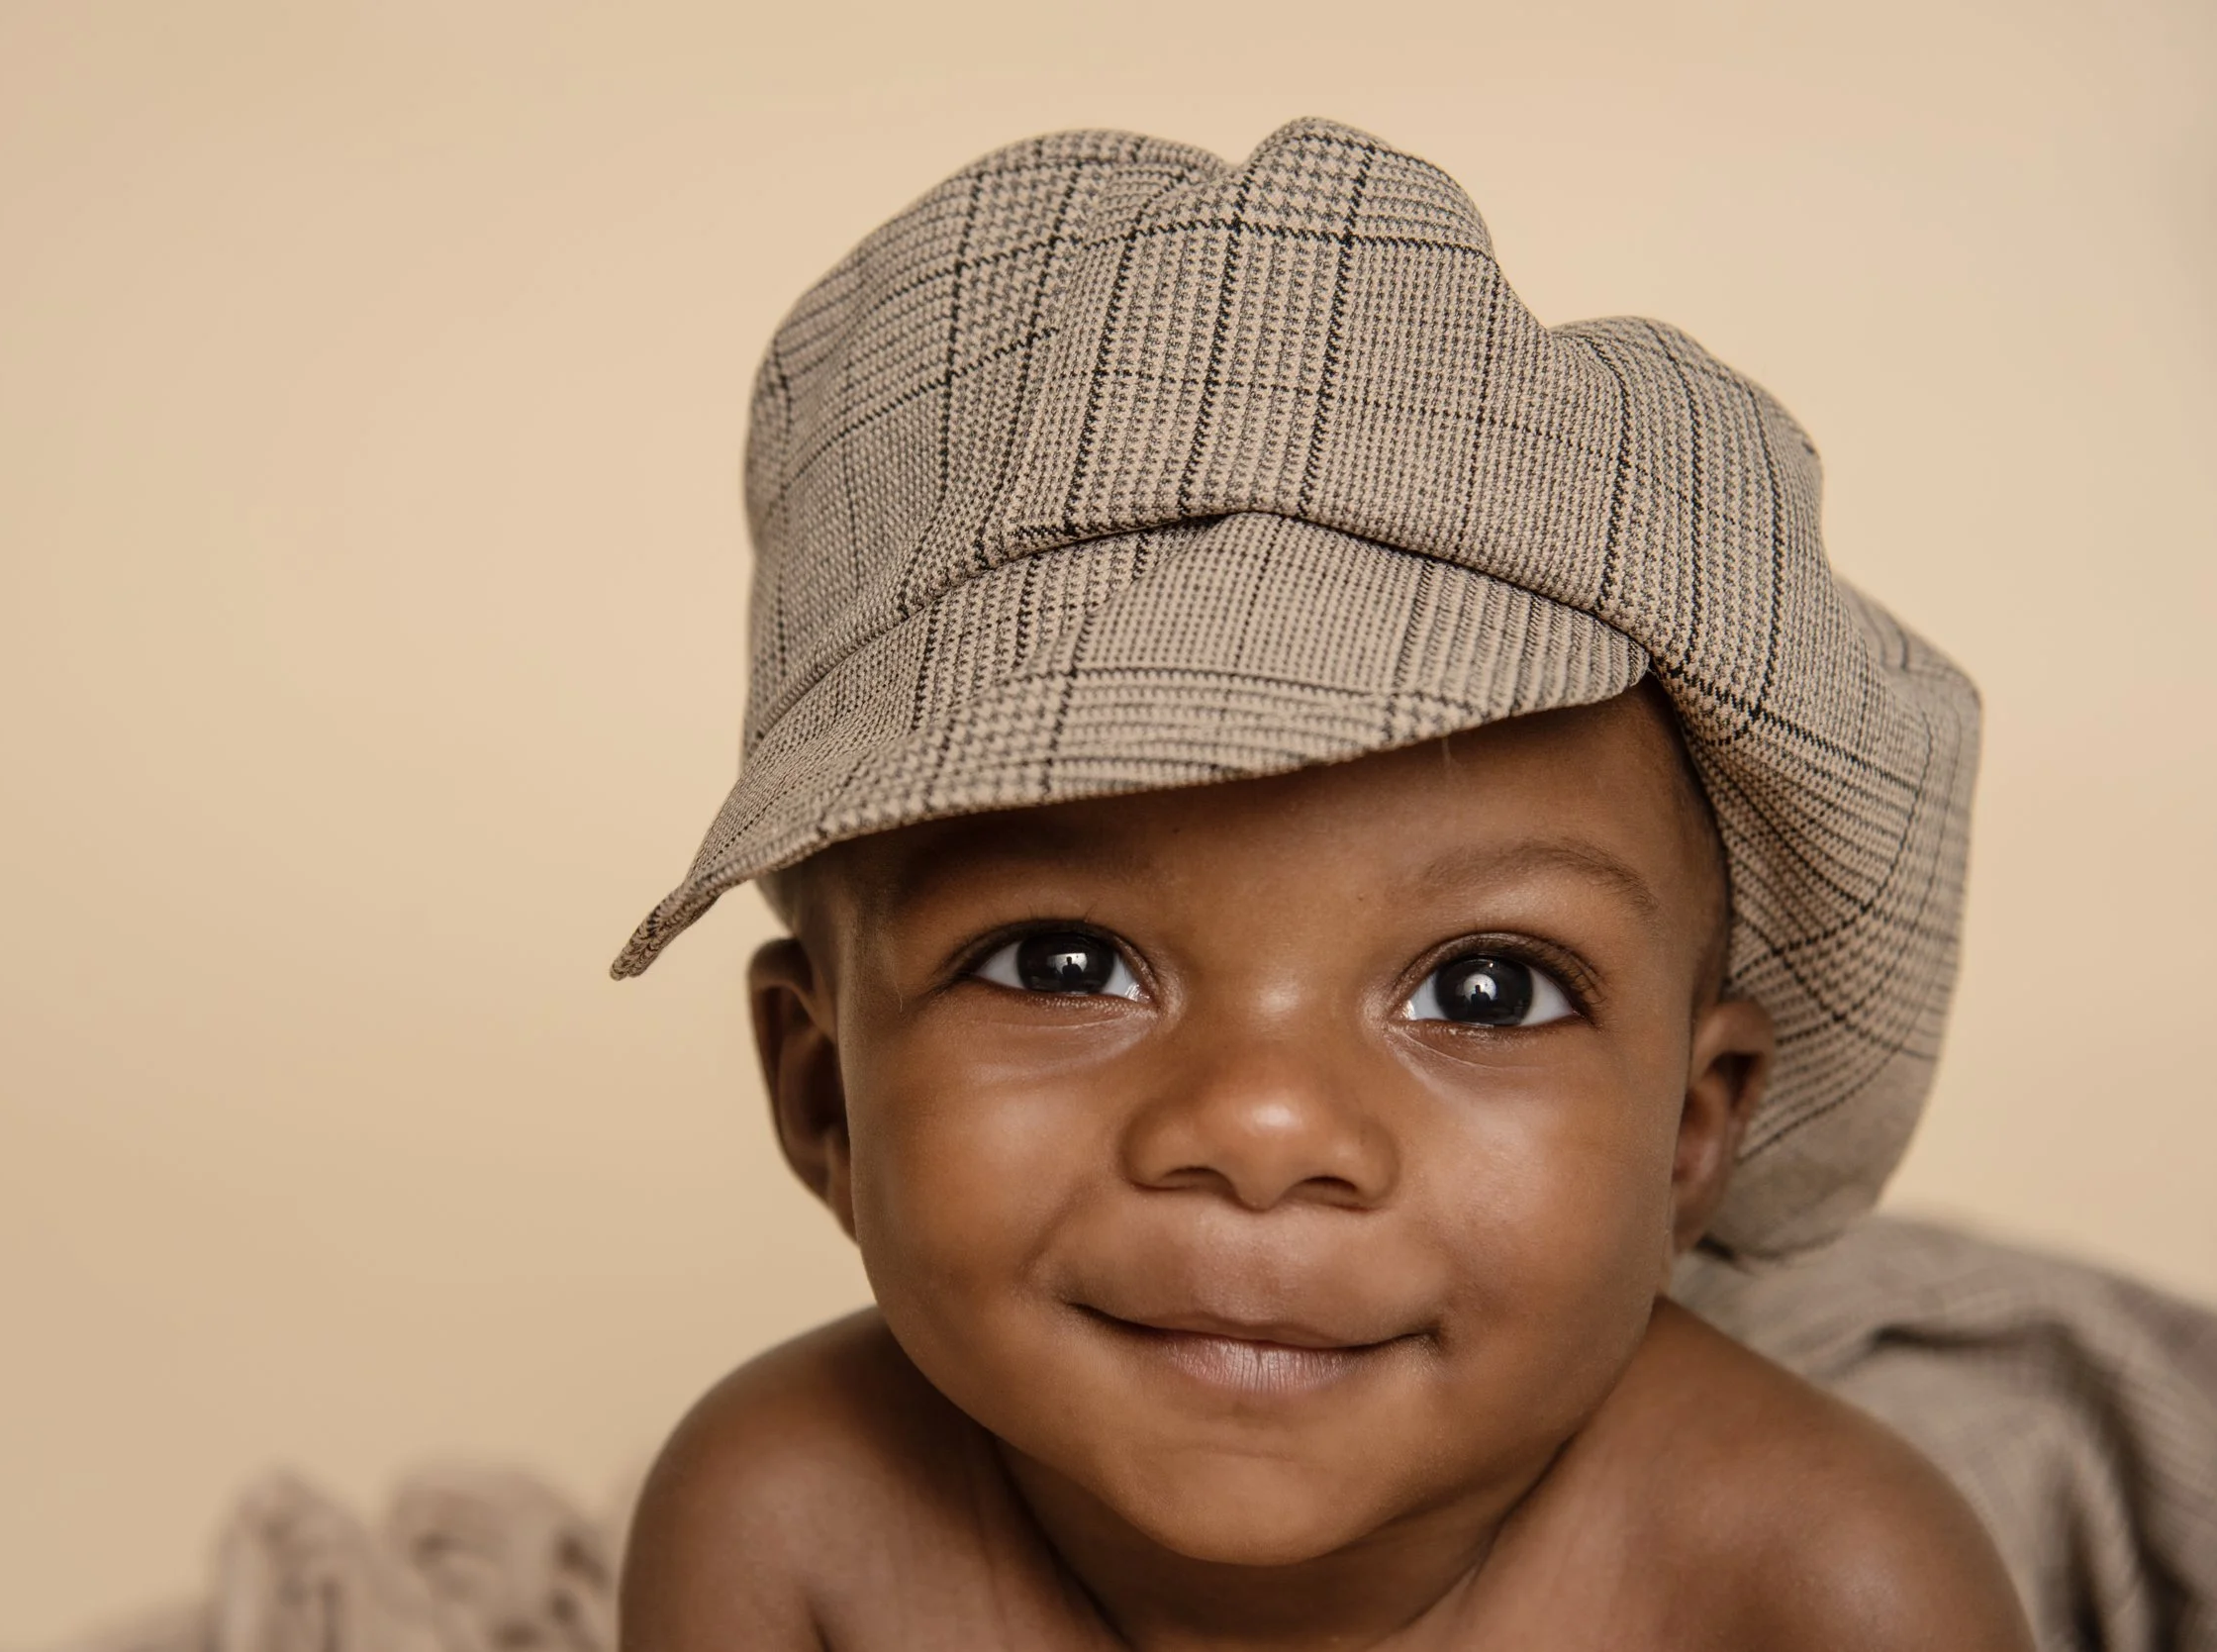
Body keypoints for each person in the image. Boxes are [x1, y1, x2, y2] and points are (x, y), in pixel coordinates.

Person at [607, 118, 2033, 1648]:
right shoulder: (791, 1525)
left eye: (1486, 989)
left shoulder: (1816, 1580)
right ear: (823, 1094)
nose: (1264, 1129)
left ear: (1691, 1135)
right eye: (1062, 963)